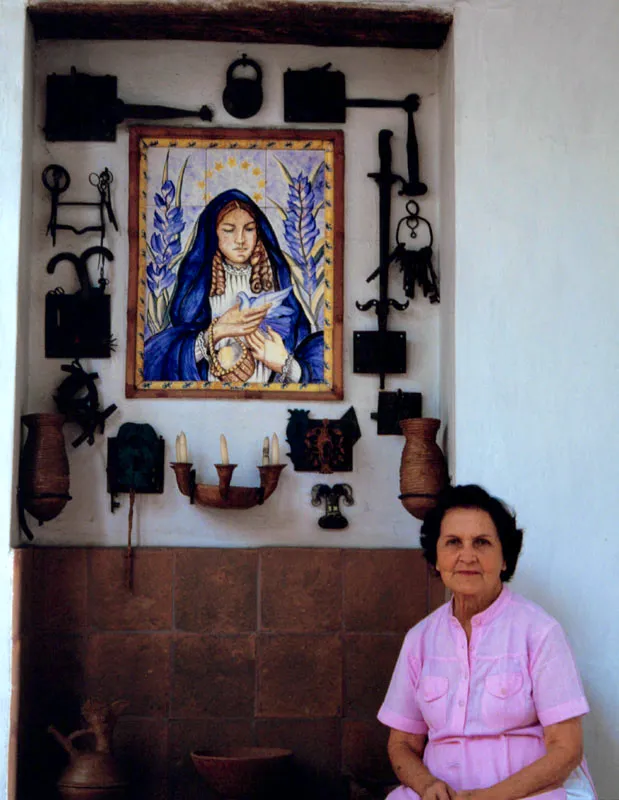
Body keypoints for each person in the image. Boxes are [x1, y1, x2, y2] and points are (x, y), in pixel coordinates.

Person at [378, 484, 596, 800]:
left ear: (505, 558)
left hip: (527, 795)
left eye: (482, 542)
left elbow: (567, 749)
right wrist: (427, 786)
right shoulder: (419, 640)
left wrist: (489, 797)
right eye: (453, 542)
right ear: (436, 559)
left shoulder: (539, 632)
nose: (467, 556)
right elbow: (402, 744)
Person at [144, 189, 324, 384]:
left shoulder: (275, 279)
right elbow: (165, 357)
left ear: (259, 232)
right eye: (229, 230)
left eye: (249, 229)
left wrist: (285, 364)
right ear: (214, 234)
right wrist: (217, 331)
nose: (240, 240)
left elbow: (301, 349)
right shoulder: (200, 287)